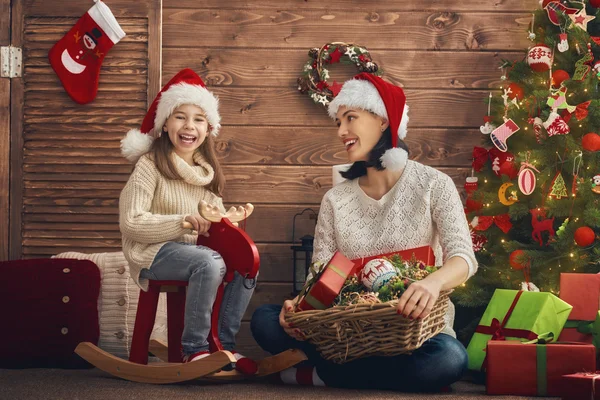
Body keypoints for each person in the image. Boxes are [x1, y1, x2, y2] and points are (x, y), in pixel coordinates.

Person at [251, 73, 478, 391]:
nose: (342, 131)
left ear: (383, 120)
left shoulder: (433, 184)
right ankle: (371, 374)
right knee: (266, 320)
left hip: (416, 332)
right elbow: (319, 278)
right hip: (346, 334)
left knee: (449, 358)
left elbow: (464, 258)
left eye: (351, 118)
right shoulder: (335, 199)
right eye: (339, 122)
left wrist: (432, 283)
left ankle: (323, 374)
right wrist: (299, 307)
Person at [119, 69, 255, 368]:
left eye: (198, 118)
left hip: (193, 252)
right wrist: (183, 221)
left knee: (246, 262)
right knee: (209, 262)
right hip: (152, 252)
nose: (189, 125)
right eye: (180, 116)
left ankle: (222, 346)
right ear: (165, 124)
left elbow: (212, 221)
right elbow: (131, 222)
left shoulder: (205, 172)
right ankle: (194, 348)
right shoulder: (150, 165)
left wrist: (227, 220)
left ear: (208, 129)